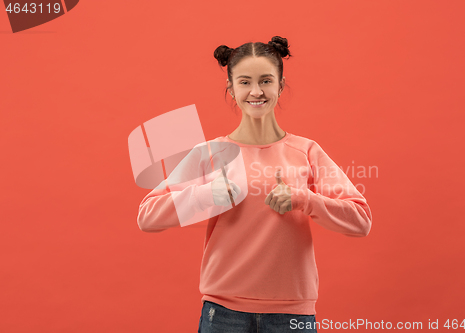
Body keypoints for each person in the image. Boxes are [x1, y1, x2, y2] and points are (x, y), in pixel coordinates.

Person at [137, 36, 373, 333]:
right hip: (222, 313)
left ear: (280, 85)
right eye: (245, 82)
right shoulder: (209, 153)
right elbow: (147, 216)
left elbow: (361, 220)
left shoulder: (307, 151)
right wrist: (205, 195)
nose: (256, 91)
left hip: (291, 315)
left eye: (266, 81)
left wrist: (304, 199)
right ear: (231, 88)